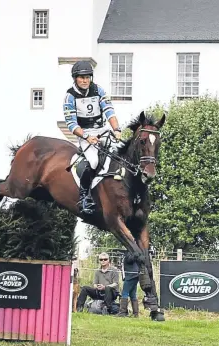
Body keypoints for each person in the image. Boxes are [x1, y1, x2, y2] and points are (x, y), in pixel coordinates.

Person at [63, 60, 122, 215]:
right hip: (84, 133)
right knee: (94, 161)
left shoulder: (99, 90)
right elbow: (71, 124)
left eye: (88, 77)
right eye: (81, 77)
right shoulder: (69, 96)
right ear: (75, 78)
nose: (85, 80)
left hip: (102, 130)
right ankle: (84, 197)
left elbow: (109, 111)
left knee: (119, 153)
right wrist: (87, 137)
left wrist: (116, 129)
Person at [117, 251, 140, 317]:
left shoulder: (130, 252)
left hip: (130, 276)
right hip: (134, 276)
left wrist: (131, 255)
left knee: (124, 293)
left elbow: (130, 259)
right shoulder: (131, 252)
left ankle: (122, 312)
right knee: (133, 295)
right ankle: (135, 314)